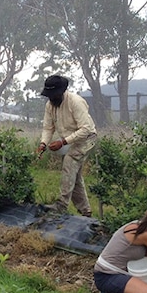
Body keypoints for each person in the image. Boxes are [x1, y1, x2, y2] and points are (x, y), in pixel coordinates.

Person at [36, 74, 97, 217]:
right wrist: (43, 143)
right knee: (74, 176)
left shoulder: (75, 102)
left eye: (54, 95)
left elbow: (85, 129)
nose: (51, 99)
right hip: (72, 140)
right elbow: (48, 127)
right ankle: (86, 211)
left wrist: (62, 142)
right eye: (49, 96)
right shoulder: (50, 105)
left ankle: (61, 205)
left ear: (62, 92)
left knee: (69, 163)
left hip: (87, 138)